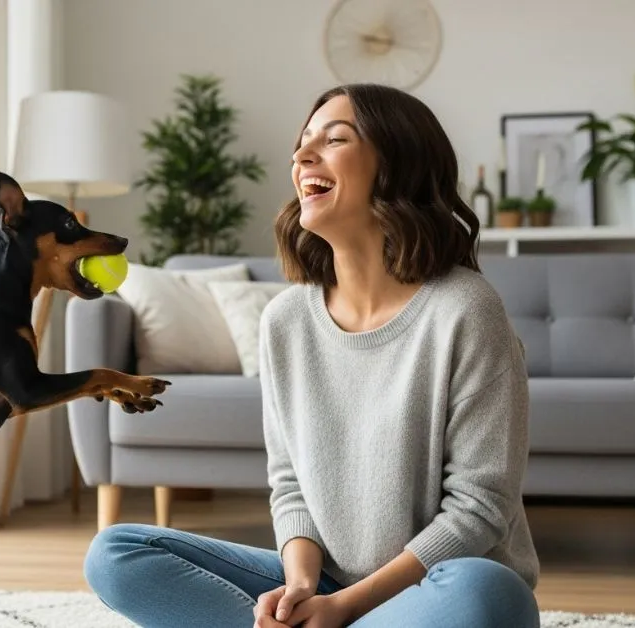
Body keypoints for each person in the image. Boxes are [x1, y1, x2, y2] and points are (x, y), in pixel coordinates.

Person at [82, 83, 541, 628]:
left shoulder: (465, 309)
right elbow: (290, 482)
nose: (302, 156)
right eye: (302, 143)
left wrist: (345, 607)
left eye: (335, 139)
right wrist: (299, 587)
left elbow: (480, 506)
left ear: (396, 165)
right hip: (324, 579)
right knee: (116, 554)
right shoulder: (285, 320)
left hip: (433, 585)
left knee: (489, 592)